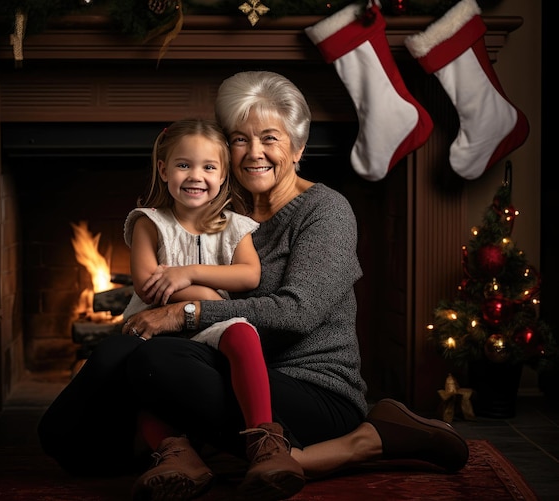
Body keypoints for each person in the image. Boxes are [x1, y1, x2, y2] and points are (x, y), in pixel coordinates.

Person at [38, 71, 469, 501]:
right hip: (228, 372)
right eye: (240, 140)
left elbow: (296, 313)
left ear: (298, 148)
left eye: (270, 138)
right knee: (89, 422)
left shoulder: (326, 211)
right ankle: (167, 450)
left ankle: (366, 441)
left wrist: (186, 312)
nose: (254, 152)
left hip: (311, 388)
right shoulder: (220, 211)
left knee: (155, 358)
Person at [121, 117, 304, 498]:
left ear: (222, 176)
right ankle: (173, 452)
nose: (195, 176)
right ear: (163, 169)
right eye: (184, 165)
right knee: (143, 369)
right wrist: (204, 295)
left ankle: (264, 442)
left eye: (208, 167)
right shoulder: (149, 224)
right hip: (156, 323)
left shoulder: (234, 226)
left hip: (210, 321)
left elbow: (250, 276)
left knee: (242, 331)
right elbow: (148, 286)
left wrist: (189, 275)